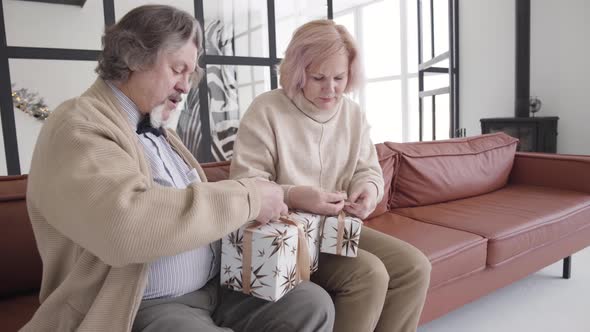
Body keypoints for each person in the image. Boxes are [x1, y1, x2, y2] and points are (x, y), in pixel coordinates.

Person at [22, 5, 334, 332]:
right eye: (177, 69)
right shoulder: (76, 126)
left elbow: (198, 204)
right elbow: (125, 228)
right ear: (133, 57)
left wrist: (279, 198)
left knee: (311, 304)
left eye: (190, 74)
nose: (186, 86)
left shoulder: (160, 131)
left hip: (212, 288)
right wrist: (249, 197)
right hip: (139, 303)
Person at [230, 19, 432, 332]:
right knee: (371, 274)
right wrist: (295, 195)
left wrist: (368, 190)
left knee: (416, 267)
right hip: (287, 235)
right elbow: (246, 184)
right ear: (298, 73)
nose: (331, 88)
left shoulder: (352, 114)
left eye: (339, 77)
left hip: (337, 229)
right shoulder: (267, 110)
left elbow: (368, 170)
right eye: (318, 77)